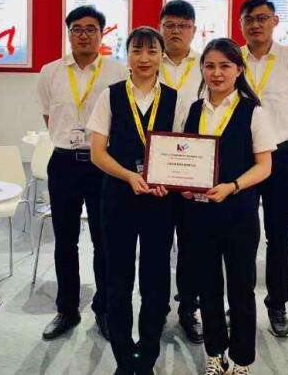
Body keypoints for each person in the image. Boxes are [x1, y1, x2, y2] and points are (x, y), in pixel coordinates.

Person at [88, 26, 184, 375]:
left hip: (160, 199)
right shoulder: (110, 96)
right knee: (118, 275)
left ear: (161, 56)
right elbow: (98, 153)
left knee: (156, 276)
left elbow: (183, 151)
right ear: (126, 56)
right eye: (137, 51)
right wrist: (129, 175)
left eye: (152, 51)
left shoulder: (174, 98)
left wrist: (168, 180)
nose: (144, 58)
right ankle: (124, 357)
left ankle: (148, 353)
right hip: (118, 195)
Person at [182, 38, 276, 375]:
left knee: (241, 289)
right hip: (200, 214)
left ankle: (241, 359)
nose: (217, 73)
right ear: (202, 70)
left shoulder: (254, 112)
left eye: (224, 66)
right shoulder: (194, 110)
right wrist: (184, 184)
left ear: (238, 69)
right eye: (209, 66)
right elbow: (185, 158)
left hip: (239, 213)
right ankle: (215, 353)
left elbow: (264, 167)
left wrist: (233, 186)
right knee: (207, 287)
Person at [37, 5, 128, 341]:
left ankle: (104, 309)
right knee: (65, 240)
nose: (83, 34)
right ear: (69, 33)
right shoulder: (50, 72)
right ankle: (67, 309)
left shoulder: (118, 72)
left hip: (102, 164)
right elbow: (49, 117)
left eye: (91, 28)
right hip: (63, 163)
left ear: (102, 34)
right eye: (77, 28)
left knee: (105, 241)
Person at [238, 0, 288, 337]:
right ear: (241, 24)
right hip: (239, 157)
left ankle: (277, 305)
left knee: (278, 233)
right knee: (239, 233)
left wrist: (274, 133)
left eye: (262, 18)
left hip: (281, 156)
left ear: (274, 21)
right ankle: (239, 303)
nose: (256, 24)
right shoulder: (232, 58)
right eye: (249, 19)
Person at [157, 0, 203, 344]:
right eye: (170, 25)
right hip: (156, 165)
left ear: (194, 30)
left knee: (192, 243)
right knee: (157, 243)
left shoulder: (206, 64)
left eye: (183, 26)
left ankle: (189, 307)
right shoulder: (147, 60)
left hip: (193, 166)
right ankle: (157, 306)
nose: (176, 31)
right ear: (161, 27)